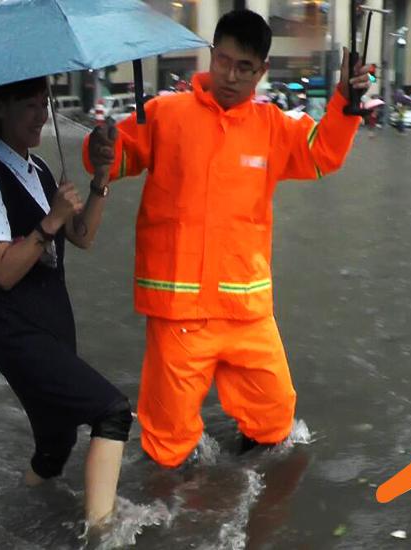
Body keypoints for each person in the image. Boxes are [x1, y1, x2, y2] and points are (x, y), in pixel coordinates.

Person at [84, 9, 369, 469]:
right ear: (212, 55)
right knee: (167, 443)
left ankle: (244, 492)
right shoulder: (162, 114)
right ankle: (172, 519)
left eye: (244, 68)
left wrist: (345, 102)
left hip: (246, 312)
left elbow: (324, 154)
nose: (230, 76)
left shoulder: (273, 127)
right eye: (223, 61)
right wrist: (99, 152)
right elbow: (115, 160)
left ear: (261, 72)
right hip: (177, 314)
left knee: (276, 421)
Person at [0, 77, 130, 527]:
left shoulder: (38, 171)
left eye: (44, 103)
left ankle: (20, 513)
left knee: (56, 447)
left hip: (53, 325)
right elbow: (3, 270)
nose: (41, 115)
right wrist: (50, 220)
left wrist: (100, 179)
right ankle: (101, 533)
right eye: (30, 105)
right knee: (111, 412)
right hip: (18, 333)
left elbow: (84, 236)